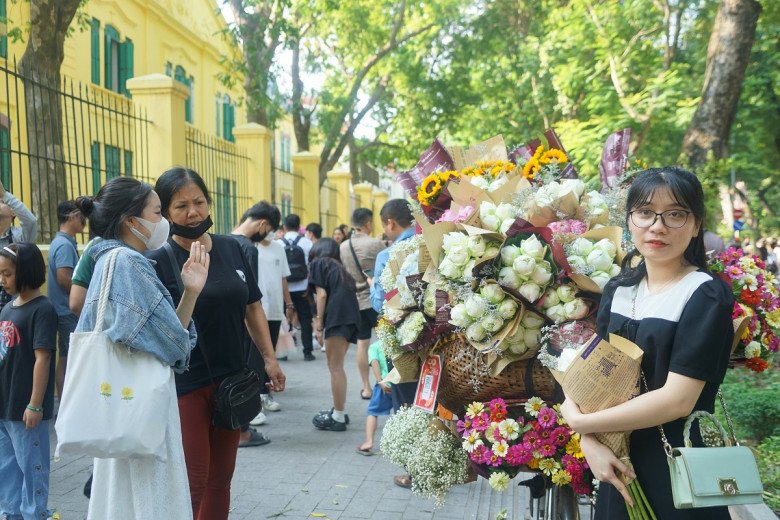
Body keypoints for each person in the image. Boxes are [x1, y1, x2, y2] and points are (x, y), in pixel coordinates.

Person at [560, 167, 734, 520]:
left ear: (696, 224)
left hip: (680, 467)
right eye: (645, 212)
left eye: (675, 214)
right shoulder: (619, 290)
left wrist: (583, 425)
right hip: (617, 461)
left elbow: (677, 400)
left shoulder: (705, 295)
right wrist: (589, 441)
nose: (658, 226)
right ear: (629, 220)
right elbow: (594, 377)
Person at [146, 167, 285, 520]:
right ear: (165, 211)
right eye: (181, 206)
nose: (193, 212)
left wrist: (270, 358)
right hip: (186, 385)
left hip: (232, 380)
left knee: (221, 479)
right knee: (193, 482)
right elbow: (164, 332)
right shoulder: (159, 262)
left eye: (199, 202)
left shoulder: (232, 248)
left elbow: (252, 306)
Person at [72, 177, 208, 519]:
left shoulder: (104, 260)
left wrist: (189, 291)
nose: (163, 221)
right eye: (158, 211)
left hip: (119, 406)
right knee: (152, 498)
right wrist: (189, 297)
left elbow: (156, 333)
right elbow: (174, 344)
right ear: (132, 221)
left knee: (123, 500)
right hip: (142, 409)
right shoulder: (129, 264)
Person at [0, 243, 57, 520]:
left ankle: (36, 515)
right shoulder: (8, 308)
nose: (2, 280)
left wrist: (35, 404)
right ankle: (10, 514)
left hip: (26, 410)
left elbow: (42, 358)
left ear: (26, 272)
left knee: (31, 468)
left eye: (7, 274)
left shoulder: (42, 309)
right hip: (5, 407)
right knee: (6, 469)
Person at [231, 202, 290, 446]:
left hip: (228, 323)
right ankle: (243, 429)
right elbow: (251, 300)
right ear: (263, 224)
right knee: (252, 371)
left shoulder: (224, 240)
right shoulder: (248, 248)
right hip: (248, 323)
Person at [370, 198, 418, 489]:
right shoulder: (436, 243)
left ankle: (415, 471)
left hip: (405, 344)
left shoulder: (388, 255)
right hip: (444, 342)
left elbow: (380, 303)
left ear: (390, 222)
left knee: (408, 404)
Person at [309, 238, 360, 432]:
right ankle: (339, 410)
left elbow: (321, 295)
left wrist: (319, 323)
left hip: (338, 316)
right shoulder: (339, 268)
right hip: (350, 317)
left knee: (335, 367)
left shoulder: (318, 263)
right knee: (337, 367)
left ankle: (338, 416)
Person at [340, 208, 384, 400]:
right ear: (368, 223)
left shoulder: (343, 246)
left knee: (362, 345)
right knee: (385, 342)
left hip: (355, 300)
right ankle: (385, 381)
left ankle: (366, 387)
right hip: (375, 300)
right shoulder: (376, 244)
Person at [47, 200, 85, 398]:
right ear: (71, 216)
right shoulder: (64, 245)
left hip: (61, 309)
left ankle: (64, 402)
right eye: (80, 216)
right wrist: (82, 293)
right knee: (71, 358)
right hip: (66, 310)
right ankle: (67, 402)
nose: (83, 221)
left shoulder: (61, 242)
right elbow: (64, 278)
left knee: (65, 356)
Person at [278, 214, 315, 361]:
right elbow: (311, 266)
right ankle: (307, 352)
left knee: (284, 319)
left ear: (285, 227)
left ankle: (284, 352)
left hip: (284, 288)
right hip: (303, 288)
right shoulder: (307, 242)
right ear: (299, 226)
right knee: (306, 319)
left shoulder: (279, 244)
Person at [356, 340, 392, 455]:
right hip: (400, 384)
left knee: (372, 412)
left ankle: (369, 442)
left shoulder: (375, 346)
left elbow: (375, 362)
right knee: (403, 413)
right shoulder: (398, 342)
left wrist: (380, 381)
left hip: (384, 384)